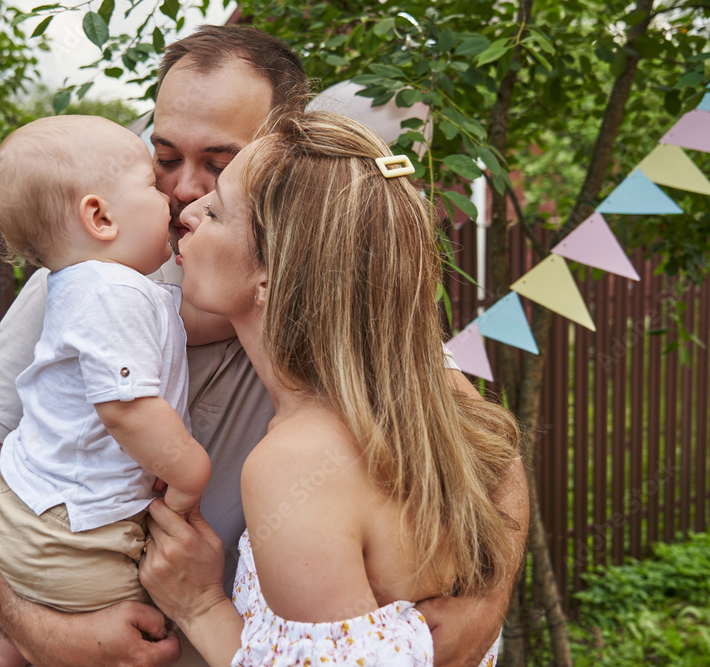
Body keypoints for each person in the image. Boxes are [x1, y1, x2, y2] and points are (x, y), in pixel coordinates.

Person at [0, 24, 529, 667]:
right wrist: (33, 629)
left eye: (219, 165)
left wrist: (481, 614)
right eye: (165, 157)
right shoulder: (89, 279)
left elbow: (485, 449)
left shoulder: (334, 314)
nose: (183, 192)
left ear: (281, 156)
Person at [140, 110, 522, 666]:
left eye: (217, 211)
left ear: (272, 275)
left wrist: (200, 605)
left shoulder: (296, 462)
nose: (188, 213)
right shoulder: (421, 410)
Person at [0, 115, 225, 666]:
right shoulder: (111, 291)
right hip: (76, 531)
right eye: (153, 182)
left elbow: (191, 323)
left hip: (26, 505)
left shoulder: (95, 285)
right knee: (124, 633)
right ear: (100, 217)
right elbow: (126, 409)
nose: (172, 199)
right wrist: (190, 472)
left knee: (9, 639)